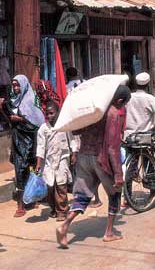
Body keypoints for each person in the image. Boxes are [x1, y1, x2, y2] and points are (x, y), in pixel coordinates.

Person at [56, 85, 131, 249]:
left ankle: (65, 224)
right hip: (101, 159)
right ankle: (109, 232)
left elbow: (76, 132)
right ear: (119, 101)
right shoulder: (113, 113)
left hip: (84, 156)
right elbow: (112, 147)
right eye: (124, 103)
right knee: (115, 194)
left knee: (82, 196)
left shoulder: (93, 110)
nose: (123, 107)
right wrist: (118, 174)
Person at [0, 75, 46, 217]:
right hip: (19, 141)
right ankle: (21, 205)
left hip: (31, 140)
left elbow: (37, 124)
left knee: (32, 169)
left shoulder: (32, 100)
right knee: (20, 170)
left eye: (18, 85)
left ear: (24, 85)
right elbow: (10, 121)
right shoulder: (13, 101)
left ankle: (33, 198)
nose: (16, 88)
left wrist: (20, 119)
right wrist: (2, 109)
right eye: (14, 85)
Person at [35, 100, 79, 221]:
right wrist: (39, 163)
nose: (49, 116)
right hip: (48, 162)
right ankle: (53, 208)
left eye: (51, 113)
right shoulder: (43, 129)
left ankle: (62, 211)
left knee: (61, 186)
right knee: (49, 187)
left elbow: (72, 140)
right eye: (47, 114)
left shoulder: (64, 126)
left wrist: (73, 154)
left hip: (62, 160)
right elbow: (40, 146)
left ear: (58, 112)